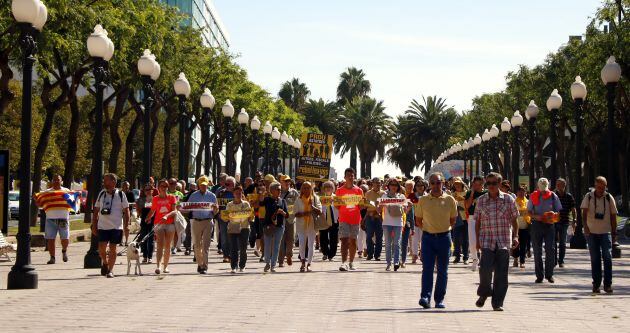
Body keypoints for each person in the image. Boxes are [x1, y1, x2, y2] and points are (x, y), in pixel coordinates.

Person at [474, 173, 519, 311]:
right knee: (485, 269)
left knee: (501, 273)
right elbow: (478, 222)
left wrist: (516, 237)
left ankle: (497, 302)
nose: (491, 186)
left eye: (494, 183)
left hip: (504, 240)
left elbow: (514, 220)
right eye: (488, 184)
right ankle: (485, 292)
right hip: (487, 240)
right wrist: (477, 241)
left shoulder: (508, 199)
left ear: (499, 184)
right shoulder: (481, 200)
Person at [416, 172, 457, 309]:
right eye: (432, 183)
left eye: (438, 182)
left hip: (445, 238)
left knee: (442, 270)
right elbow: (418, 220)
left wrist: (442, 229)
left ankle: (439, 299)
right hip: (428, 238)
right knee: (427, 269)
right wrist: (429, 229)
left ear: (442, 183)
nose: (435, 185)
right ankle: (425, 297)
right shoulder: (423, 200)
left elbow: (453, 220)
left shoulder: (450, 200)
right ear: (429, 184)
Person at [581, 176, 617, 294]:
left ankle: (608, 285)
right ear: (595, 186)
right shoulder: (589, 196)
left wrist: (614, 233)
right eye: (599, 187)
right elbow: (584, 212)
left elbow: (613, 216)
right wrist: (585, 227)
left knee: (607, 257)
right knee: (595, 258)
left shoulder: (608, 197)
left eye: (603, 187)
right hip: (592, 232)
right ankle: (596, 285)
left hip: (605, 232)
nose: (601, 189)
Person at [91, 173, 130, 278]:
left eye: (106, 180)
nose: (104, 182)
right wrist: (94, 225)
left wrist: (126, 225)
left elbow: (126, 210)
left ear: (113, 182)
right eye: (104, 180)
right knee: (101, 249)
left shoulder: (121, 195)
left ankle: (110, 270)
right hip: (103, 226)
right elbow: (96, 211)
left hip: (116, 227)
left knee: (113, 248)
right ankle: (105, 262)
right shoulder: (101, 194)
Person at [527, 177, 562, 283]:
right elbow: (528, 212)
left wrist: (554, 216)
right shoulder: (533, 196)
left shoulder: (553, 196)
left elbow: (559, 212)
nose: (543, 191)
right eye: (541, 189)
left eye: (545, 189)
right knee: (537, 251)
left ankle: (549, 274)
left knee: (550, 250)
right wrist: (536, 217)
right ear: (538, 187)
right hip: (536, 225)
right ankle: (539, 275)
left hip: (549, 225)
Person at [145, 179, 179, 274]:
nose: (164, 188)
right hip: (159, 223)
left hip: (170, 223)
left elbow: (174, 211)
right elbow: (152, 211)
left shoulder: (172, 197)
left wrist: (167, 216)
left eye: (166, 186)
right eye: (162, 186)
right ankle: (158, 266)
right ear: (158, 187)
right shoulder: (155, 198)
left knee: (167, 245)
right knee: (160, 244)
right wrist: (148, 218)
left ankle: (166, 266)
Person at [335, 168, 364, 271]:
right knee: (344, 241)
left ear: (354, 177)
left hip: (355, 219)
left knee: (353, 241)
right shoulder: (339, 190)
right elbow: (337, 206)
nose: (350, 177)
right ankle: (343, 263)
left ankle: (351, 262)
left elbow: (361, 205)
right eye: (348, 175)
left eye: (352, 175)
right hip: (343, 219)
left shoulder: (359, 190)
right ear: (345, 177)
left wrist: (361, 206)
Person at [187, 176, 218, 274]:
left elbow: (216, 211)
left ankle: (204, 266)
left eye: (205, 185)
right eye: (202, 185)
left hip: (208, 221)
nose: (203, 187)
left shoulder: (212, 195)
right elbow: (188, 207)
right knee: (196, 244)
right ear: (198, 185)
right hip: (196, 221)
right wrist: (181, 207)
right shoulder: (193, 195)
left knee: (206, 246)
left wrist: (215, 209)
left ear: (208, 185)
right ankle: (199, 263)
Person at [39, 175, 72, 264]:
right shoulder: (47, 192)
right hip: (50, 219)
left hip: (63, 219)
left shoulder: (66, 191)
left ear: (61, 181)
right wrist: (36, 199)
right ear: (52, 181)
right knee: (50, 239)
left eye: (58, 180)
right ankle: (52, 258)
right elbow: (40, 204)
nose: (56, 181)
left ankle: (64, 251)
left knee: (65, 238)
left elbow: (73, 202)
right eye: (54, 180)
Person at [378, 178, 408, 271]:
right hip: (387, 222)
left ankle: (396, 262)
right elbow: (379, 210)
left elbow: (406, 210)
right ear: (389, 186)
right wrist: (378, 205)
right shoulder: (384, 196)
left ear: (398, 187)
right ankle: (388, 263)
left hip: (398, 223)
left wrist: (405, 206)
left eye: (396, 185)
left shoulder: (402, 196)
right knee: (387, 244)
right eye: (392, 185)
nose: (394, 187)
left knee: (397, 243)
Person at [259, 181, 288, 273]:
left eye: (280, 189)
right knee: (267, 245)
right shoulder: (267, 199)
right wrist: (262, 193)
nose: (280, 191)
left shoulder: (282, 201)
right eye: (277, 189)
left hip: (280, 226)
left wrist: (282, 212)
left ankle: (273, 265)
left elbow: (287, 215)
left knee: (276, 246)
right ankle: (267, 263)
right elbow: (260, 203)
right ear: (272, 190)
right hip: (268, 225)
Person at [294, 181, 322, 272]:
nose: (306, 189)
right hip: (301, 225)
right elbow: (296, 214)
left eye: (308, 187)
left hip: (312, 225)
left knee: (311, 244)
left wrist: (312, 206)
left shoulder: (315, 198)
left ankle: (309, 264)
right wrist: (305, 214)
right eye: (304, 187)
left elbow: (319, 211)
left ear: (311, 189)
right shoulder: (298, 199)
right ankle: (302, 262)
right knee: (302, 244)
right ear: (302, 189)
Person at [226, 185, 253, 273]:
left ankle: (242, 266)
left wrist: (250, 217)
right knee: (233, 248)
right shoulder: (229, 205)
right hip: (233, 228)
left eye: (240, 193)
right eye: (236, 193)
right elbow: (226, 217)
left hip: (244, 227)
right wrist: (226, 217)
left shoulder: (246, 204)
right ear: (233, 194)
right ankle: (234, 266)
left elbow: (251, 216)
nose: (238, 194)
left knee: (243, 248)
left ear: (242, 194)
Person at [464, 175, 487, 271]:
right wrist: (472, 193)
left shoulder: (487, 193)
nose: (477, 186)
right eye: (475, 184)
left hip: (484, 218)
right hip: (472, 217)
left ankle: (484, 259)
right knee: (473, 240)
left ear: (483, 184)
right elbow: (467, 206)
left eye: (479, 184)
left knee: (484, 239)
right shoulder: (469, 192)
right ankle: (474, 259)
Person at [278, 174, 299, 267]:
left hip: (291, 219)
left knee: (290, 239)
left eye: (288, 181)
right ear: (281, 182)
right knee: (281, 240)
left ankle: (289, 255)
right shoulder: (277, 192)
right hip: (280, 219)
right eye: (285, 181)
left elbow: (299, 203)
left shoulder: (294, 192)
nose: (287, 183)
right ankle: (281, 260)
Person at [554, 178, 576, 268]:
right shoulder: (553, 195)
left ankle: (561, 261)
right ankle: (554, 260)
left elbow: (573, 208)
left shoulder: (569, 196)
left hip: (564, 222)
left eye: (560, 184)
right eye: (557, 184)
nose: (558, 186)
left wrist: (575, 219)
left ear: (564, 185)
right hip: (554, 222)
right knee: (553, 242)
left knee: (562, 243)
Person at [216, 177, 236, 263]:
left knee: (233, 237)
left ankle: (233, 254)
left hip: (235, 218)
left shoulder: (238, 192)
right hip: (223, 218)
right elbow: (216, 205)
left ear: (234, 184)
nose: (227, 185)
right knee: (224, 237)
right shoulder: (220, 193)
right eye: (226, 184)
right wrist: (218, 214)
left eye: (230, 184)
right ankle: (226, 255)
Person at [364, 177, 384, 261]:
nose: (378, 184)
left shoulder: (384, 193)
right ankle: (370, 253)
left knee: (379, 237)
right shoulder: (368, 193)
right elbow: (365, 205)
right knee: (369, 236)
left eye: (379, 182)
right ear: (372, 184)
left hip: (380, 218)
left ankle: (377, 255)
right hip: (370, 216)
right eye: (376, 182)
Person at [319, 181, 339, 261]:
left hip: (334, 220)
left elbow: (339, 208)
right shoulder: (320, 198)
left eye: (330, 187)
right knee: (323, 238)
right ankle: (325, 253)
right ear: (323, 189)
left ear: (333, 189)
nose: (328, 189)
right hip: (323, 219)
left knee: (333, 238)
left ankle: (331, 255)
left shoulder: (336, 198)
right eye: (326, 187)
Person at [135, 184, 155, 263]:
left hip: (153, 221)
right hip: (144, 221)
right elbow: (139, 212)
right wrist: (138, 208)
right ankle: (144, 256)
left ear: (152, 190)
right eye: (146, 190)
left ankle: (150, 257)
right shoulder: (141, 200)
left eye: (149, 189)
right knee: (144, 239)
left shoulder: (155, 199)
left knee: (151, 239)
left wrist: (150, 218)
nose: (148, 191)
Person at [451, 177, 469, 264]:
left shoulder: (467, 193)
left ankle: (466, 257)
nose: (457, 185)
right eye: (455, 184)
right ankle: (457, 256)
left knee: (465, 239)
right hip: (456, 218)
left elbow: (470, 203)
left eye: (458, 183)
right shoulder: (452, 194)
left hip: (465, 218)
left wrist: (463, 201)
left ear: (462, 184)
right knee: (456, 239)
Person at [512, 187, 531, 268]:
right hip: (515, 227)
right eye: (519, 192)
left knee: (523, 245)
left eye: (523, 192)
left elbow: (530, 211)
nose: (521, 193)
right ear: (517, 192)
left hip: (525, 226)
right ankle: (515, 259)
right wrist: (520, 212)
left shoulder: (528, 202)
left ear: (525, 193)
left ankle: (522, 261)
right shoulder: (513, 201)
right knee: (516, 245)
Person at [411, 180, 427, 264]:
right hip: (414, 221)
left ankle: (423, 255)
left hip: (425, 221)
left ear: (424, 187)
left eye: (421, 185)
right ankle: (414, 255)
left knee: (424, 239)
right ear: (415, 187)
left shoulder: (428, 196)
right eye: (418, 185)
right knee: (414, 239)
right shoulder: (411, 196)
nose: (420, 187)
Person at [400, 180, 415, 268]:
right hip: (397, 223)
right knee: (396, 243)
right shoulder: (400, 196)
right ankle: (396, 260)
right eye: (408, 187)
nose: (409, 188)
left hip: (407, 224)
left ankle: (403, 261)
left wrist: (412, 228)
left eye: (411, 187)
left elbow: (412, 215)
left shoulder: (413, 198)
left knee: (404, 243)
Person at [121, 181, 135, 245]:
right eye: (124, 185)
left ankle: (126, 241)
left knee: (126, 227)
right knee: (120, 227)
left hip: (127, 212)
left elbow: (133, 203)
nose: (126, 187)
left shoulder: (131, 193)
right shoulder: (119, 193)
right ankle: (121, 240)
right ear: (122, 186)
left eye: (127, 186)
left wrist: (127, 204)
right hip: (119, 212)